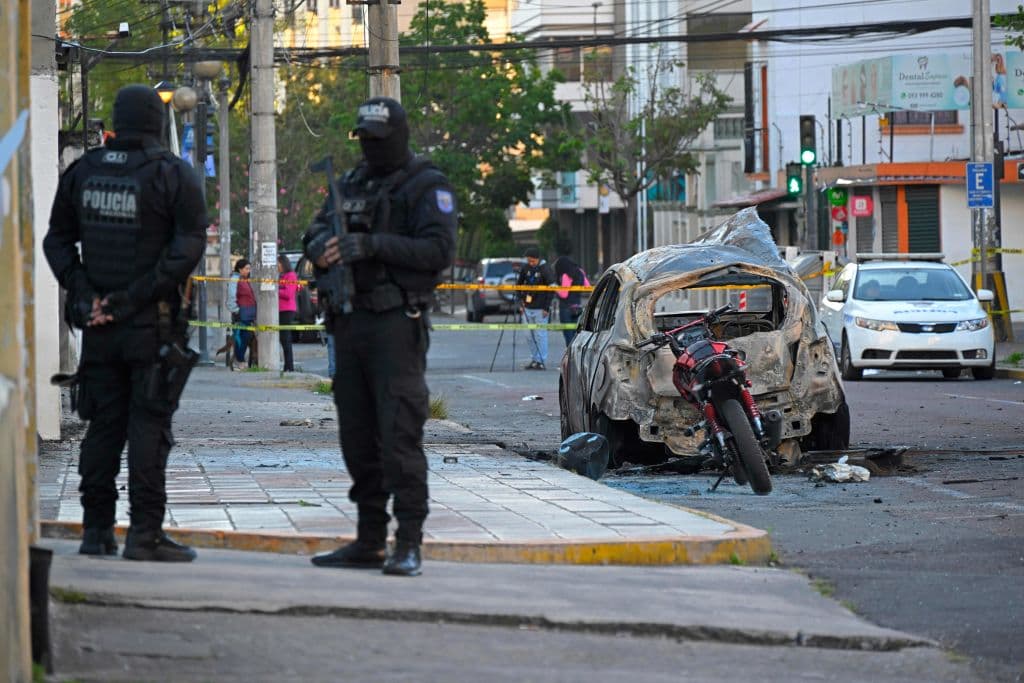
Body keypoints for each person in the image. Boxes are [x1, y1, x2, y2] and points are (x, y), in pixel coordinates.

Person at [43, 84, 206, 562]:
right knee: (149, 428)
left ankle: (96, 531)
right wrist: (129, 299)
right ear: (156, 122)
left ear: (116, 121)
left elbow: (56, 241)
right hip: (148, 327)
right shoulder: (171, 175)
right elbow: (188, 247)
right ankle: (144, 534)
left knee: (103, 428)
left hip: (97, 328)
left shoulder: (83, 172)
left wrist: (85, 294)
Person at [303, 96, 456, 576]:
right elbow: (313, 233)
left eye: (377, 140)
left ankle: (407, 541)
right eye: (363, 139)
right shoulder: (349, 183)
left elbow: (438, 249)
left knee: (399, 437)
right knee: (357, 438)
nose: (369, 148)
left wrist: (370, 245)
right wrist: (321, 252)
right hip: (348, 324)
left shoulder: (425, 185)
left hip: (396, 325)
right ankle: (369, 539)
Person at [517, 246, 555, 370]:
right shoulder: (526, 268)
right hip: (527, 306)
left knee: (540, 334)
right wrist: (520, 302)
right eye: (528, 260)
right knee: (528, 334)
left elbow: (552, 289)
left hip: (540, 308)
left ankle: (541, 360)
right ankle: (534, 358)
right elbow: (519, 284)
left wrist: (546, 307)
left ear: (538, 259)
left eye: (532, 260)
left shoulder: (545, 269)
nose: (530, 263)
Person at [552, 238, 588, 346]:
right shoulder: (580, 272)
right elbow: (587, 287)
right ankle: (574, 359)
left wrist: (554, 287)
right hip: (577, 307)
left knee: (568, 337)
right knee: (575, 336)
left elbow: (564, 293)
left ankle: (569, 360)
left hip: (566, 309)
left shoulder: (565, 275)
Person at [277, 253, 299, 372]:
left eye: (278, 264)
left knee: (286, 338)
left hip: (287, 310)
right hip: (279, 310)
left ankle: (289, 366)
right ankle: (287, 366)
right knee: (283, 338)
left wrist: (276, 289)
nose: (277, 266)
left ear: (283, 264)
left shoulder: (291, 276)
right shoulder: (281, 276)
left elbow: (288, 294)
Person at [234, 260, 256, 370]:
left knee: (246, 337)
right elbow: (231, 296)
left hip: (249, 313)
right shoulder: (235, 279)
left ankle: (241, 359)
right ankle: (239, 360)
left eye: (249, 268)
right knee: (241, 337)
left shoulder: (245, 280)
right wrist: (236, 311)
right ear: (240, 269)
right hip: (241, 313)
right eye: (246, 268)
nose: (248, 271)